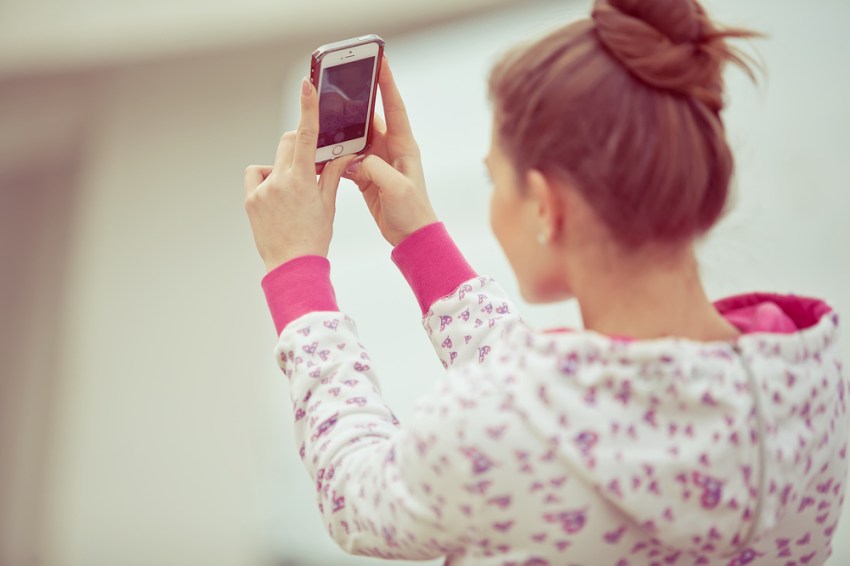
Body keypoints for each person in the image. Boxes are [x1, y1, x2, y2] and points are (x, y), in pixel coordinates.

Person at [242, 0, 848, 563]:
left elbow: (358, 494)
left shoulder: (505, 427)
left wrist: (296, 272)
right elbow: (563, 403)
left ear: (545, 207)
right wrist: (421, 240)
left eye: (494, 181)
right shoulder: (808, 382)